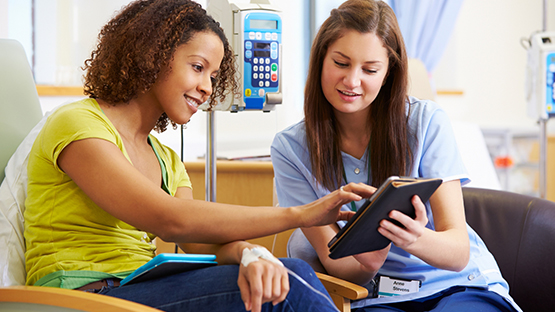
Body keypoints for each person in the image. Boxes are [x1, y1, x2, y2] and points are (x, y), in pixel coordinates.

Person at [23, 1, 375, 311]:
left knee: (278, 275)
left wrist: (250, 254)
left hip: (141, 289)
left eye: (214, 75)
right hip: (80, 299)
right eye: (197, 67)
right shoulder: (78, 123)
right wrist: (300, 214)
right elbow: (170, 220)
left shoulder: (167, 160)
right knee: (290, 283)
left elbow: (199, 240)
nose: (207, 87)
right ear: (153, 54)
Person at [270, 0, 521, 311]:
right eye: (341, 63)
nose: (352, 81)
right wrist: (368, 262)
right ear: (320, 60)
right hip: (377, 297)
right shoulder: (291, 149)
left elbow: (457, 253)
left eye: (370, 69)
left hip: (457, 286)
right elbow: (337, 266)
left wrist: (414, 238)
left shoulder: (426, 122)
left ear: (388, 73)